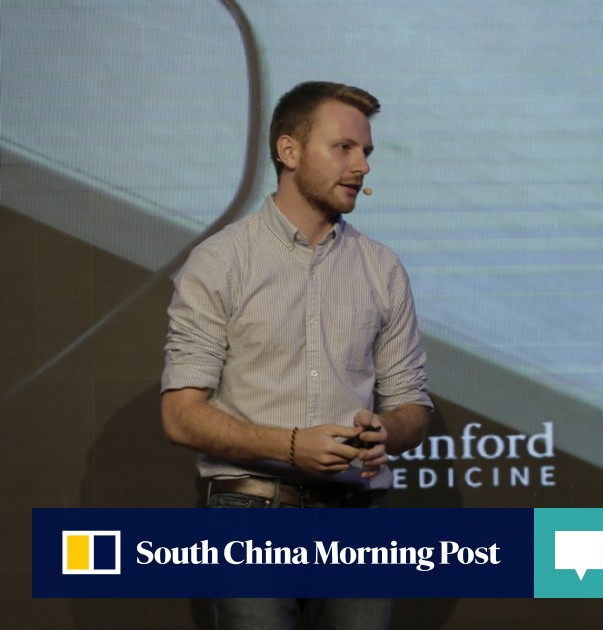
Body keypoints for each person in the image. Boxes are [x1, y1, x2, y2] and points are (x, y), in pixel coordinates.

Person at [160, 81, 432, 630]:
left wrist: (387, 430)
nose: (362, 166)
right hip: (250, 514)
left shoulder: (381, 268)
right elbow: (181, 415)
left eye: (366, 152)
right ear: (288, 150)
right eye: (344, 148)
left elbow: (412, 407)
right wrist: (290, 446)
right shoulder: (220, 261)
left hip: (358, 519)